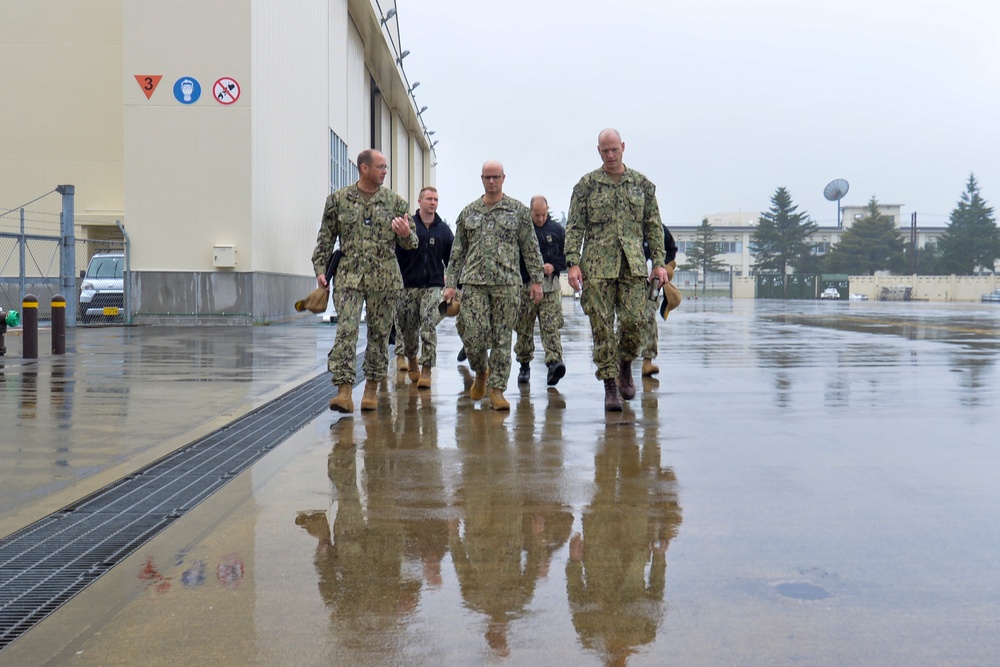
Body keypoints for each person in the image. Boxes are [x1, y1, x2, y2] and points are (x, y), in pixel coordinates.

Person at [565, 129, 669, 411]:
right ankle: (610, 386)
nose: (610, 155)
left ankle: (625, 365)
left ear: (623, 147)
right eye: (604, 150)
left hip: (632, 266)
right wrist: (573, 262)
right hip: (597, 268)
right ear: (598, 151)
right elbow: (575, 227)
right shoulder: (586, 185)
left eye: (614, 150)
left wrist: (658, 263)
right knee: (601, 328)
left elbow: (653, 227)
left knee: (635, 322)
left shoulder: (642, 185)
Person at [312, 148, 416, 413]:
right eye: (380, 167)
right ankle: (344, 390)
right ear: (364, 168)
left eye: (386, 168)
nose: (384, 172)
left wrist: (405, 234)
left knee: (379, 335)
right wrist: (320, 269)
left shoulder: (396, 202)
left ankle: (371, 387)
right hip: (349, 276)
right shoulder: (338, 200)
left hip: (385, 279)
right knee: (346, 331)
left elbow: (412, 242)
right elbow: (325, 237)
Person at [443, 161, 544, 411]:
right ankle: (481, 370)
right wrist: (450, 285)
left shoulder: (518, 211)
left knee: (501, 339)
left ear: (503, 178)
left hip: (507, 283)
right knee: (473, 335)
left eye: (495, 177)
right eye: (487, 177)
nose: (491, 181)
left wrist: (537, 281)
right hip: (474, 283)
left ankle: (498, 390)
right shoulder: (469, 213)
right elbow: (457, 253)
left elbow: (530, 248)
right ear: (481, 179)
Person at [393, 186, 454, 389]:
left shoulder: (444, 230)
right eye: (429, 199)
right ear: (419, 202)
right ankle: (411, 359)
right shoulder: (407, 225)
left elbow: (452, 259)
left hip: (433, 287)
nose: (433, 202)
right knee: (409, 330)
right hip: (408, 286)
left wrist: (451, 283)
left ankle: (427, 368)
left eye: (436, 199)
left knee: (428, 326)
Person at [514, 195, 567, 386]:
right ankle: (524, 365)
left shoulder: (557, 230)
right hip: (526, 287)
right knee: (524, 328)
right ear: (530, 212)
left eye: (544, 215)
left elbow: (566, 256)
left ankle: (554, 363)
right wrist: (531, 271)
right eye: (537, 215)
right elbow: (514, 260)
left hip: (550, 287)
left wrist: (554, 266)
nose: (541, 219)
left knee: (550, 326)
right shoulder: (522, 231)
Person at [639, 223, 678, 377]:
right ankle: (621, 363)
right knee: (625, 320)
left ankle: (647, 361)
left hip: (652, 281)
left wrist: (660, 265)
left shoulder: (657, 228)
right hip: (627, 281)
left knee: (649, 318)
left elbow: (671, 250)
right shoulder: (623, 222)